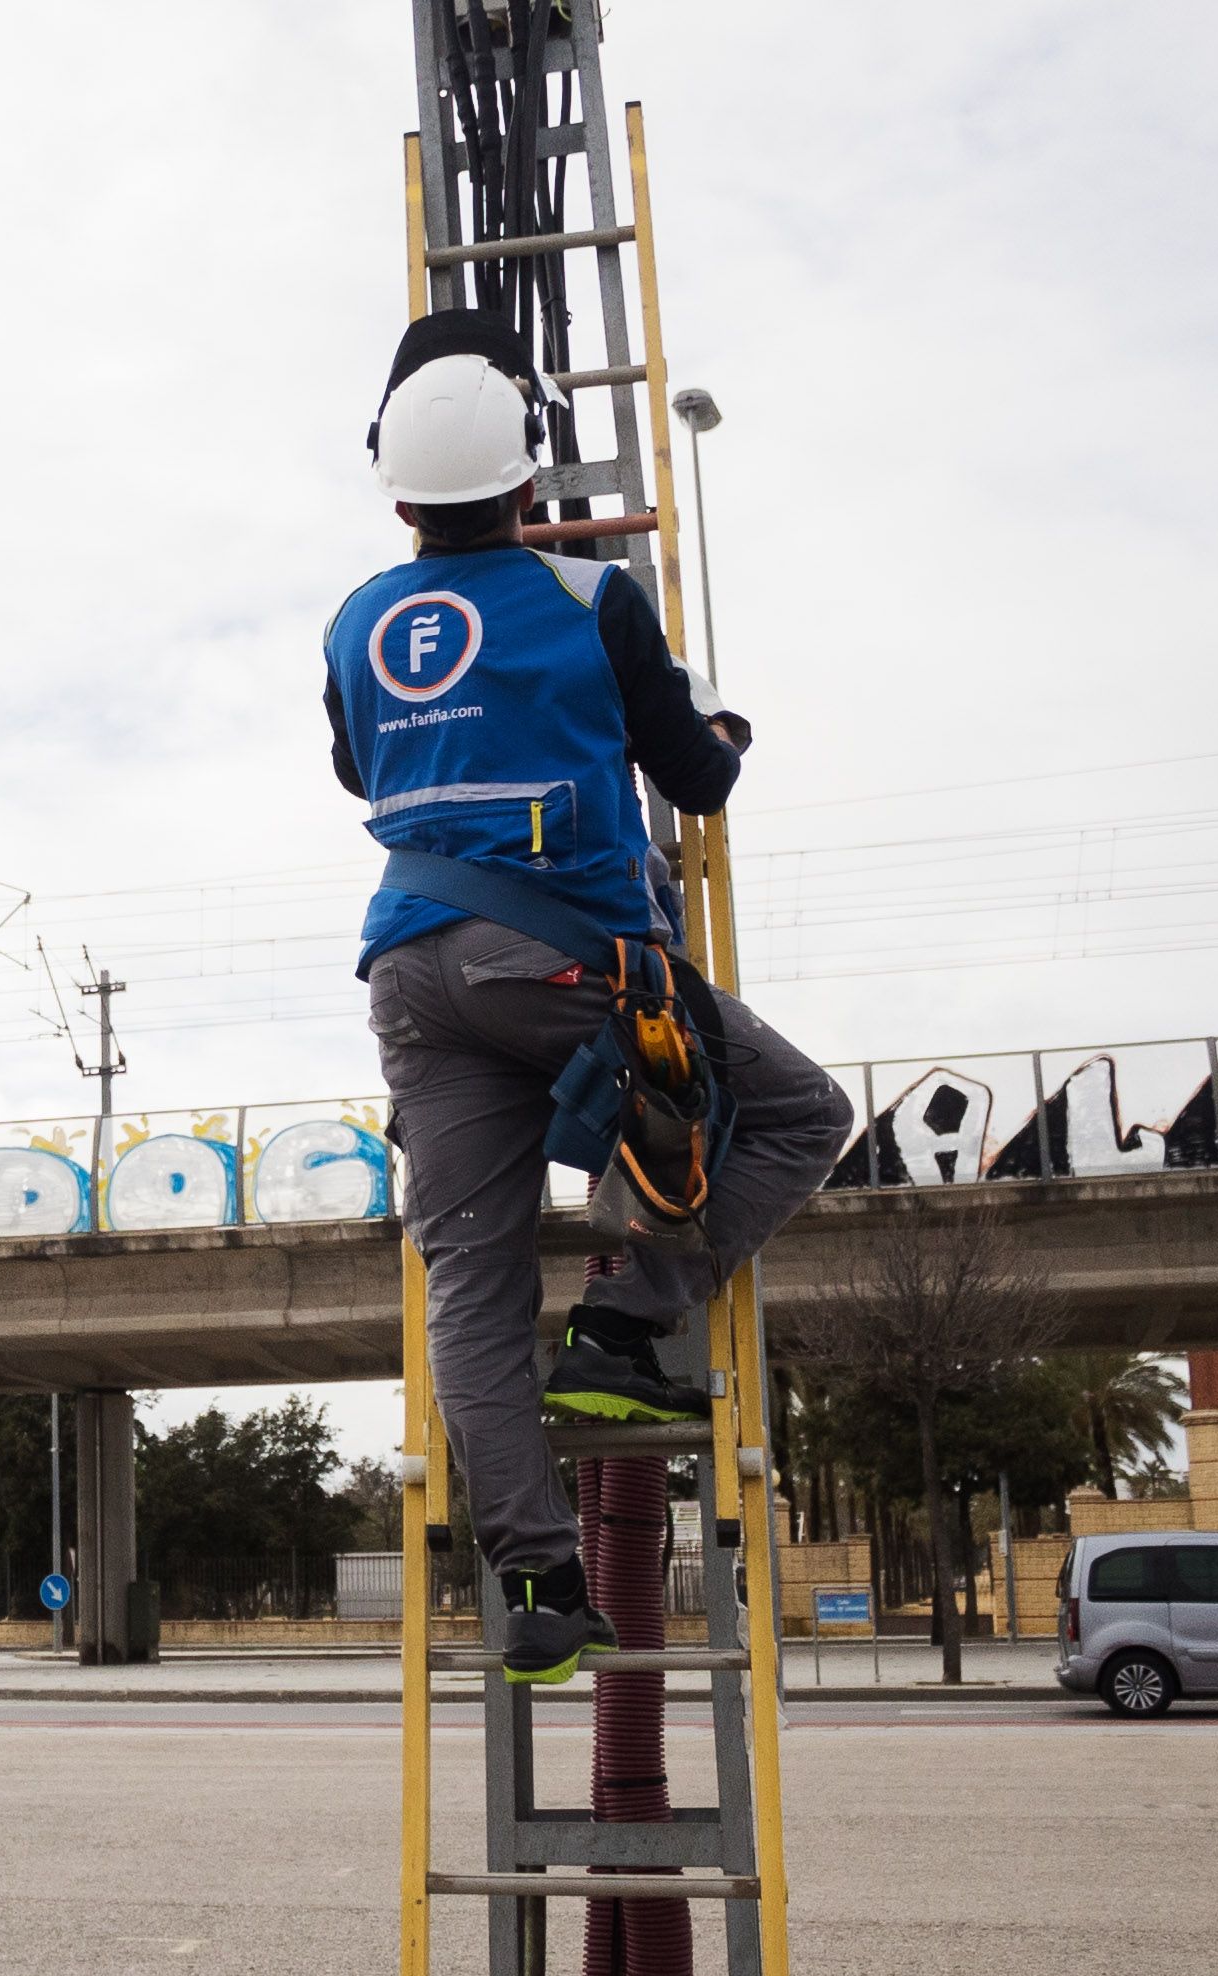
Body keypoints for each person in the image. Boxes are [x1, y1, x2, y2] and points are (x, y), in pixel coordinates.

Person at [321, 311, 846, 1683]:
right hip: (570, 967)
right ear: (530, 476)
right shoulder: (590, 599)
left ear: (395, 485)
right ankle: (627, 1317)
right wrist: (713, 722)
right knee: (800, 1111)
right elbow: (698, 777)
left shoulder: (356, 622)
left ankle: (539, 1585)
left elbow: (354, 769)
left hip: (415, 978)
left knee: (470, 1286)